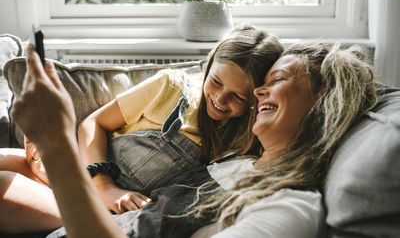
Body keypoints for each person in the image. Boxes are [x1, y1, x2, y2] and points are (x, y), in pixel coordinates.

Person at [10, 41, 377, 237]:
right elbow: (97, 125)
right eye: (216, 83)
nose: (260, 92)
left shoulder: (290, 206)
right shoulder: (240, 160)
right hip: (92, 197)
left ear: (324, 104)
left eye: (276, 81)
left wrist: (57, 146)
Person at [0, 24, 284, 233]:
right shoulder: (172, 87)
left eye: (238, 97)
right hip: (82, 171)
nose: (220, 100)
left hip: (88, 207)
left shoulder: (247, 139)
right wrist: (102, 184)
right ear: (209, 66)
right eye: (217, 82)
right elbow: (93, 123)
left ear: (257, 98)